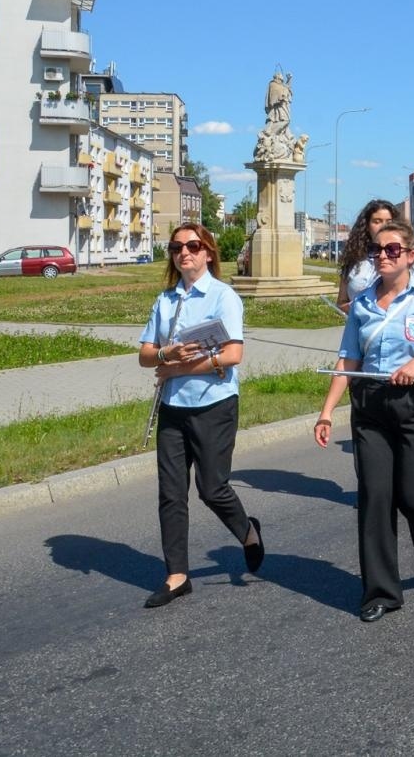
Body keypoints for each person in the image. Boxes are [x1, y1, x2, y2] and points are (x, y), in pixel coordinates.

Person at [315, 221, 414, 622]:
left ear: (411, 256)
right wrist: (327, 411)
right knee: (376, 497)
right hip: (372, 406)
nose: (383, 256)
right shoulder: (361, 304)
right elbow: (348, 360)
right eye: (377, 250)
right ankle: (381, 591)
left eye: (392, 250)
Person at [138, 223, 261, 609]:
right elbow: (144, 354)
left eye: (192, 246)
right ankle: (177, 575)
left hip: (214, 405)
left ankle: (247, 531)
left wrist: (176, 369)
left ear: (208, 252)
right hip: (174, 409)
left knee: (212, 488)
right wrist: (163, 356)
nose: (183, 253)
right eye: (176, 247)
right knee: (171, 492)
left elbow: (232, 355)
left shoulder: (224, 297)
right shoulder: (166, 299)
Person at [337, 200, 408, 312]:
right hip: (360, 326)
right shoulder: (354, 258)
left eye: (389, 221)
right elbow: (341, 302)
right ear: (367, 226)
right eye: (377, 221)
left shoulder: (403, 256)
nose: (384, 226)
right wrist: (355, 309)